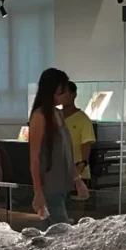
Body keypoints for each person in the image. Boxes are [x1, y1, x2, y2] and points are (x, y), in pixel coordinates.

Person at [28, 68, 89, 228]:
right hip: (49, 187)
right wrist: (38, 192)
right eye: (62, 90)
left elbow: (66, 152)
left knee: (56, 231)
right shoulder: (40, 117)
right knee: (60, 231)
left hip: (61, 185)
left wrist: (77, 180)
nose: (65, 94)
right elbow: (34, 157)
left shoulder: (57, 114)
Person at [61, 81, 96, 187]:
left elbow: (86, 144)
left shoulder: (83, 119)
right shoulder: (55, 117)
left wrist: (82, 164)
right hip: (58, 174)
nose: (62, 96)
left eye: (64, 92)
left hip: (77, 174)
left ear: (73, 94)